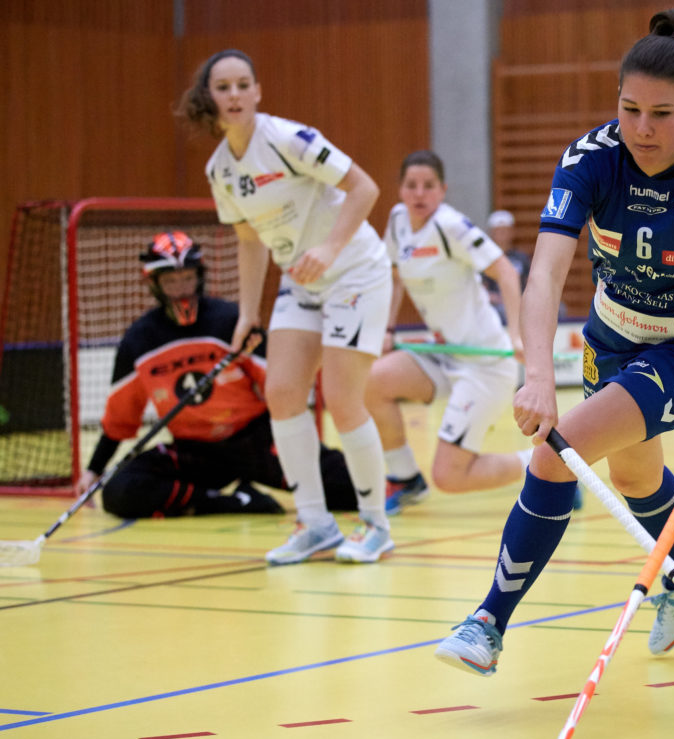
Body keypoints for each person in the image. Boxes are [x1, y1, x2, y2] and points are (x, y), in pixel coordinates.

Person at [434, 9, 674, 676]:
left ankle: (488, 622)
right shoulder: (591, 160)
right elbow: (543, 276)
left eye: (662, 114)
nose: (643, 129)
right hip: (609, 338)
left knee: (555, 458)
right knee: (633, 475)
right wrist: (537, 372)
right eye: (630, 110)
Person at [178, 48, 395, 564]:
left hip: (355, 272)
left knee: (343, 399)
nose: (233, 95)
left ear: (257, 92)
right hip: (301, 283)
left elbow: (364, 187)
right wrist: (248, 314)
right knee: (282, 393)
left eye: (242, 85)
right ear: (210, 98)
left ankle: (376, 526)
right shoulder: (220, 171)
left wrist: (329, 248)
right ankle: (315, 523)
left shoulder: (289, 140)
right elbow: (250, 241)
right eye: (223, 87)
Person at [77, 232, 357, 518]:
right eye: (171, 282)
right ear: (155, 285)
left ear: (199, 277)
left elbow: (278, 381)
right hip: (194, 452)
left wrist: (296, 435)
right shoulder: (139, 341)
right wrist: (93, 469)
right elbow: (119, 417)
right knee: (119, 492)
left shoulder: (230, 320)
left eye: (187, 278)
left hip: (255, 440)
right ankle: (235, 502)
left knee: (350, 487)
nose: (182, 289)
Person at [368, 150, 530, 514]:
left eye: (429, 186)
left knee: (450, 477)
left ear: (443, 190)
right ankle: (405, 477)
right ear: (400, 190)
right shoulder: (397, 223)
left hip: (484, 365)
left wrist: (517, 336)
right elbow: (394, 278)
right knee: (373, 381)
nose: (419, 194)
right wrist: (387, 329)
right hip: (443, 353)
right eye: (411, 186)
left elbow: (506, 271)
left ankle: (545, 468)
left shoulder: (451, 226)